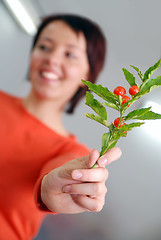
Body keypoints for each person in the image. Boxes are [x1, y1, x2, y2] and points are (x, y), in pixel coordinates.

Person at [0, 14, 122, 239]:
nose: (52, 59)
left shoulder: (71, 153)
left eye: (69, 54)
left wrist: (53, 187)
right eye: (44, 47)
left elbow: (56, 175)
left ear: (87, 74)